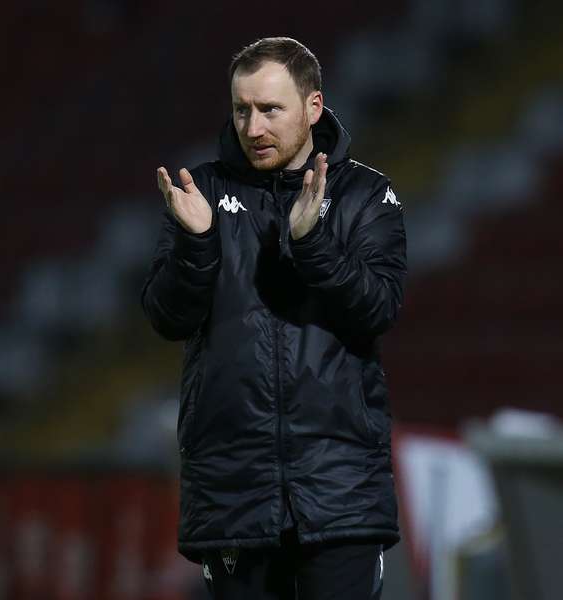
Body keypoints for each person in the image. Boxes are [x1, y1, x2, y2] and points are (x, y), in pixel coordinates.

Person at [141, 37, 407, 600]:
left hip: (339, 490)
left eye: (270, 110)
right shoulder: (202, 193)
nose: (253, 127)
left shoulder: (365, 195)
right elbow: (166, 317)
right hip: (233, 490)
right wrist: (197, 244)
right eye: (242, 110)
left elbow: (378, 308)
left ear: (313, 107)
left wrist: (313, 246)